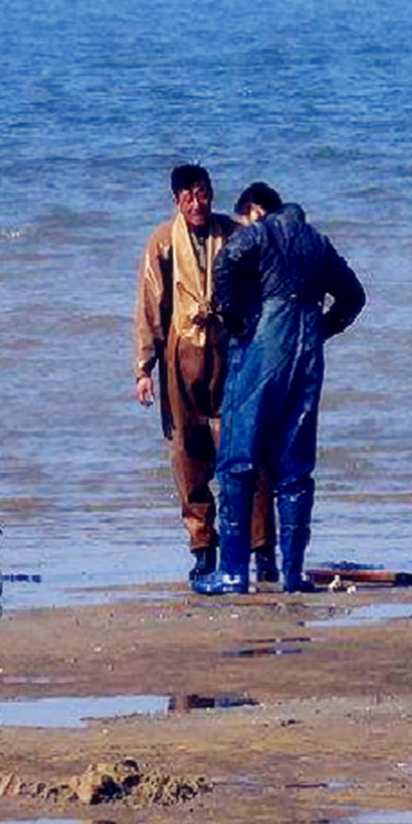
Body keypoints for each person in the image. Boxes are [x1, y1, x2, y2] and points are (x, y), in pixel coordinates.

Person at [192, 182, 366, 595]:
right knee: (295, 467)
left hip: (263, 349)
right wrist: (324, 329)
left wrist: (234, 320)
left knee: (238, 459)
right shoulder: (318, 244)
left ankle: (233, 572)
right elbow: (354, 297)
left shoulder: (259, 233)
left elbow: (226, 263)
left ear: (259, 214)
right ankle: (293, 574)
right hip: (307, 354)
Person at [134, 165, 276, 583]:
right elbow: (149, 307)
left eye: (204, 194)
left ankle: (262, 548)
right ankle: (202, 546)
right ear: (177, 201)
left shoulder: (233, 233)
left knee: (250, 450)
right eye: (189, 197)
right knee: (188, 455)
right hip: (182, 354)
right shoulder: (162, 242)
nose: (198, 204)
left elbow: (264, 282)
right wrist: (144, 368)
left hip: (231, 349)